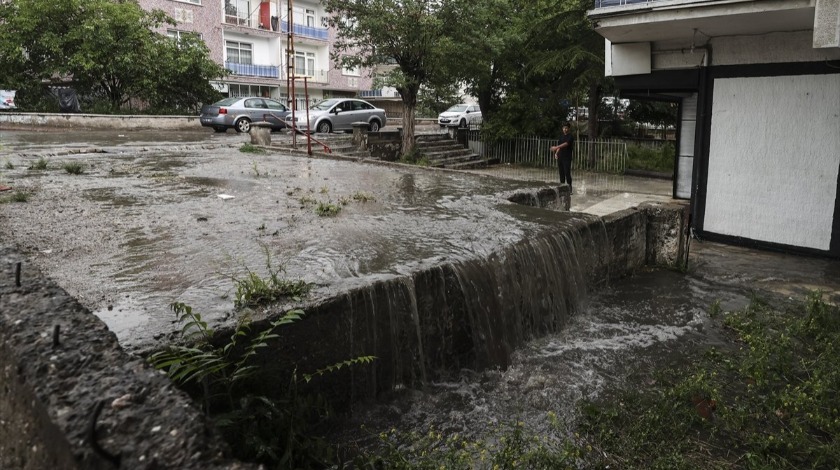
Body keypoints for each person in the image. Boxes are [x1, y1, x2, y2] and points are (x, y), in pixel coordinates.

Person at [550, 123, 574, 191]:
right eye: (563, 128)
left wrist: (556, 147)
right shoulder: (561, 137)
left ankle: (570, 189)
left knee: (567, 173)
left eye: (566, 128)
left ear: (569, 128)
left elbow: (565, 144)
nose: (565, 129)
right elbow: (559, 146)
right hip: (560, 157)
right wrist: (556, 153)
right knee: (561, 173)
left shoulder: (570, 136)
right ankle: (562, 188)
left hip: (567, 157)